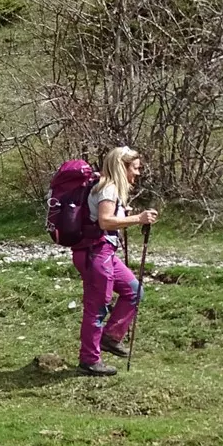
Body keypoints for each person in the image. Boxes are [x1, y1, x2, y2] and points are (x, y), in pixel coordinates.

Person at [76, 145, 158, 376]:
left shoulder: (108, 189)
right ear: (122, 167)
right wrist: (138, 218)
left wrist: (124, 214)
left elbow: (107, 217)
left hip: (103, 253)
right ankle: (89, 360)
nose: (137, 173)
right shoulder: (108, 188)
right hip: (96, 254)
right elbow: (105, 221)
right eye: (135, 168)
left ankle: (110, 337)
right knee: (97, 307)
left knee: (134, 291)